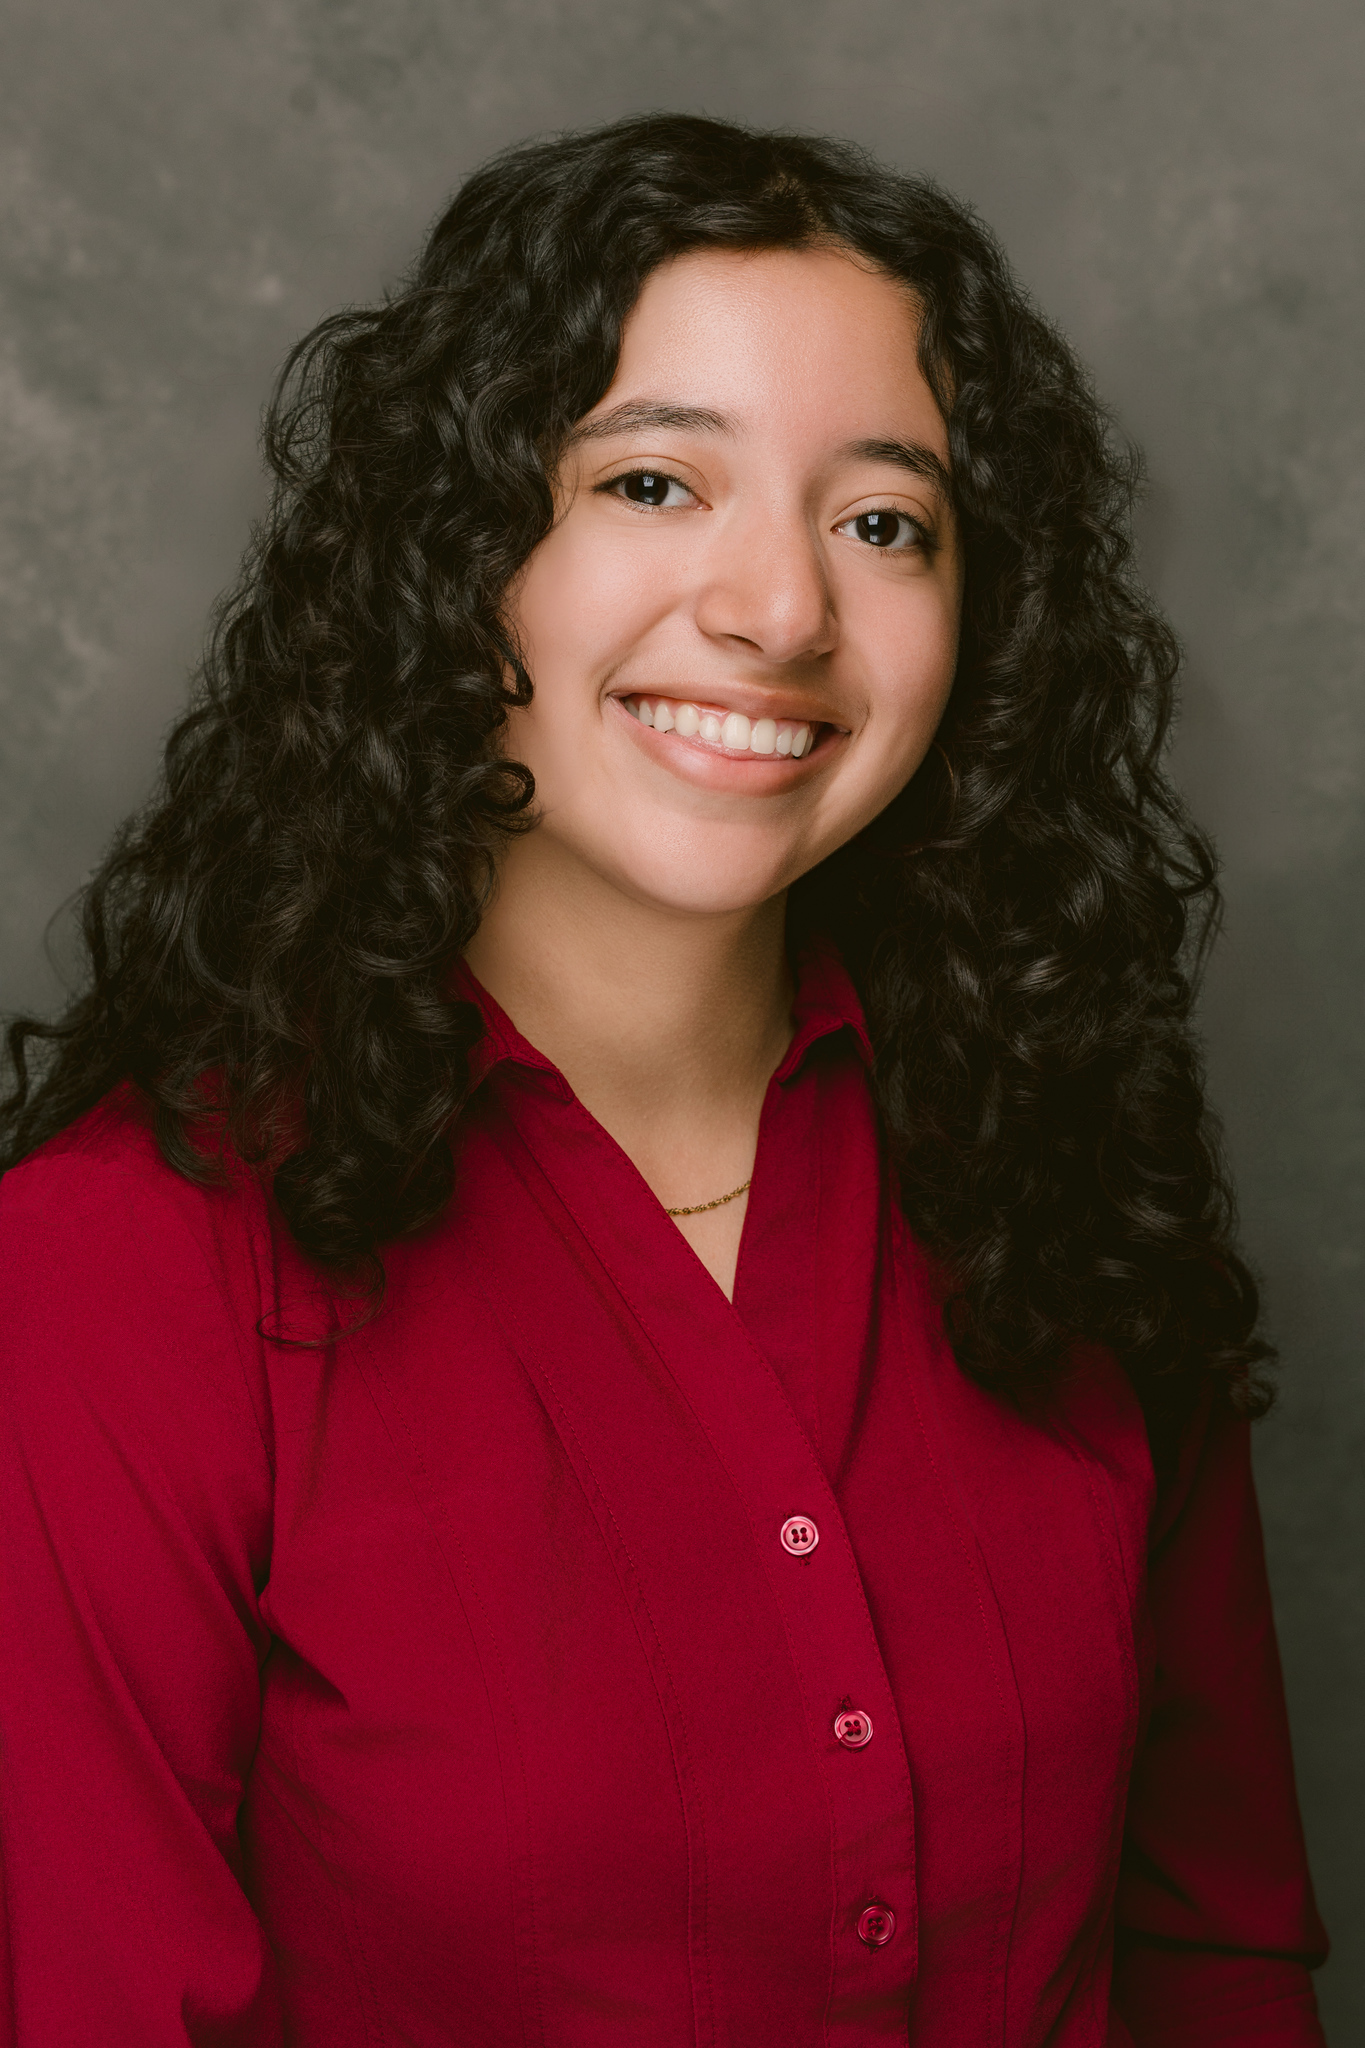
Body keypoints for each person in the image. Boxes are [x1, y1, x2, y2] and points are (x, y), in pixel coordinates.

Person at [0, 112, 1328, 2046]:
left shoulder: (1065, 1170)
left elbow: (1211, 1962)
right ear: (460, 554)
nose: (781, 611)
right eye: (649, 481)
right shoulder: (108, 1281)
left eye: (884, 522)